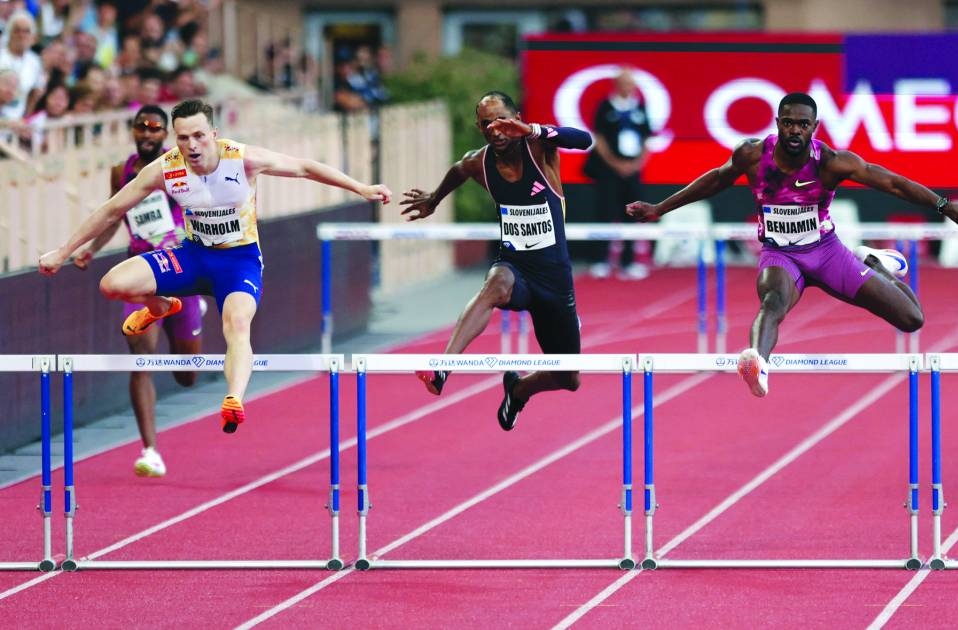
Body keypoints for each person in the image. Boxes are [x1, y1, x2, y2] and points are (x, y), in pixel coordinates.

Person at [39, 98, 392, 433]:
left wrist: (360, 187)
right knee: (112, 283)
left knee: (237, 324)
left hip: (238, 262)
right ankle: (160, 305)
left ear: (214, 134)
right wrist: (63, 250)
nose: (191, 145)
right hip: (193, 255)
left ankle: (234, 397)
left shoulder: (242, 158)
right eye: (182, 138)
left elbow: (305, 168)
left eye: (198, 136)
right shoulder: (165, 168)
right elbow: (112, 210)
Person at [626, 92, 958, 398]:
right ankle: (757, 363)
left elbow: (891, 183)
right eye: (788, 122)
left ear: (814, 128)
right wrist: (660, 207)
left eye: (802, 124)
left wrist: (944, 205)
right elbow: (714, 180)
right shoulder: (753, 155)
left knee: (912, 320)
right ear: (777, 123)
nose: (795, 130)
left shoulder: (832, 162)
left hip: (827, 252)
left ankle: (874, 263)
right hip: (780, 254)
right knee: (773, 301)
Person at [400, 91, 592, 430]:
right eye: (487, 124)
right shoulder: (480, 163)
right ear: (480, 127)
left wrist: (532, 130)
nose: (496, 130)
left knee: (569, 378)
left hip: (554, 278)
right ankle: (442, 366)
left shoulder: (539, 148)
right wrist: (434, 199)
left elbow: (584, 140)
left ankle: (518, 390)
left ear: (515, 117)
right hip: (515, 268)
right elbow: (459, 170)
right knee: (496, 284)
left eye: (502, 120)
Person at [72, 105, 204, 477]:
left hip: (179, 270)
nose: (146, 134)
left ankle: (187, 315)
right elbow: (114, 213)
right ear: (132, 131)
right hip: (140, 270)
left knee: (186, 375)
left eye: (154, 128)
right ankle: (150, 450)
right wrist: (91, 249)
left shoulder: (181, 167)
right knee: (141, 359)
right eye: (140, 128)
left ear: (165, 134)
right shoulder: (122, 172)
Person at [584, 67, 653, 280]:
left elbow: (646, 139)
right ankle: (601, 260)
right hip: (608, 170)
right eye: (624, 84)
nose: (628, 88)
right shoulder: (605, 107)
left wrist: (637, 163)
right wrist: (615, 163)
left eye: (631, 84)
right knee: (605, 212)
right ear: (616, 85)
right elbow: (600, 139)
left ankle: (628, 261)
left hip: (632, 170)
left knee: (633, 213)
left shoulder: (639, 108)